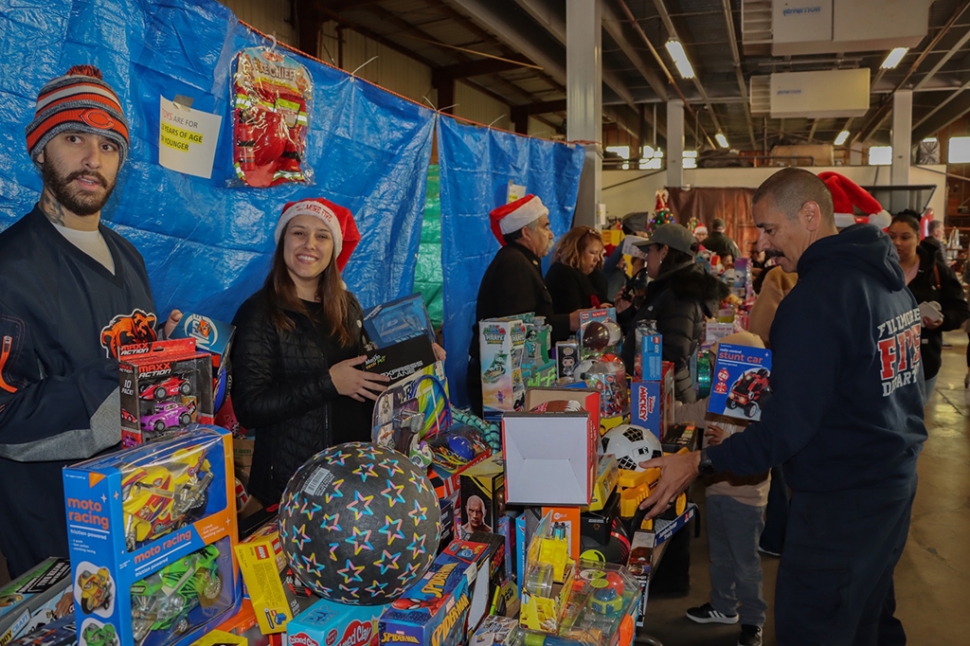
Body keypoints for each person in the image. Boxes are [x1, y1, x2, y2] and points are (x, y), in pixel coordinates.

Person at [639, 167, 927, 645]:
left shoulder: (816, 300)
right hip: (891, 485)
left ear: (810, 215)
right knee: (869, 619)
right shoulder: (892, 285)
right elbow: (894, 390)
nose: (764, 244)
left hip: (840, 499)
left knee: (814, 627)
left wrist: (697, 461)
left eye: (770, 229)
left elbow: (787, 429)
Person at [0, 65, 180, 577]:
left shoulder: (129, 256)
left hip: (142, 506)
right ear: (40, 151)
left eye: (108, 146)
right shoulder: (10, 268)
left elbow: (121, 354)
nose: (92, 160)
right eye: (74, 138)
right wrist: (120, 383)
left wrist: (167, 354)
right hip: (57, 528)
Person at [230, 198, 391, 507]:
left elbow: (368, 371)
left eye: (322, 236)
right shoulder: (259, 313)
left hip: (352, 474)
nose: (309, 244)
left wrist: (417, 356)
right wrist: (329, 383)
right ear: (283, 241)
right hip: (293, 483)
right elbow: (250, 408)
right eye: (299, 233)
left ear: (333, 249)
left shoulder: (348, 306)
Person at [686, 333, 770, 646]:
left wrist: (729, 444)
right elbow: (688, 412)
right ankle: (723, 606)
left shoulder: (763, 407)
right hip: (716, 491)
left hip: (746, 499)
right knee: (720, 557)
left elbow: (762, 452)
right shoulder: (719, 399)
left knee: (745, 564)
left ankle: (753, 620)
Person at [466, 195, 581, 415]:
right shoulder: (515, 264)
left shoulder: (523, 260)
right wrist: (568, 322)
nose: (552, 234)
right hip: (499, 384)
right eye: (546, 227)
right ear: (526, 232)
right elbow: (519, 328)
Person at [621, 224, 728, 402]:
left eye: (650, 251)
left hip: (666, 398)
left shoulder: (679, 295)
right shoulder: (669, 289)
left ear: (664, 251)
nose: (646, 257)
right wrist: (627, 315)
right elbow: (652, 335)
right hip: (660, 394)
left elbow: (672, 355)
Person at [887, 213, 968, 400]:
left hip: (924, 360)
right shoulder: (879, 272)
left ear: (918, 239)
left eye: (905, 237)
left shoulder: (937, 272)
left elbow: (961, 309)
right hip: (886, 362)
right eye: (891, 236)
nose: (897, 242)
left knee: (915, 411)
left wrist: (942, 320)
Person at [544, 226, 608, 313]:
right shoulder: (563, 274)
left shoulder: (596, 276)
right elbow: (573, 314)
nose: (598, 259)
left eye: (599, 253)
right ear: (576, 251)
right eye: (593, 253)